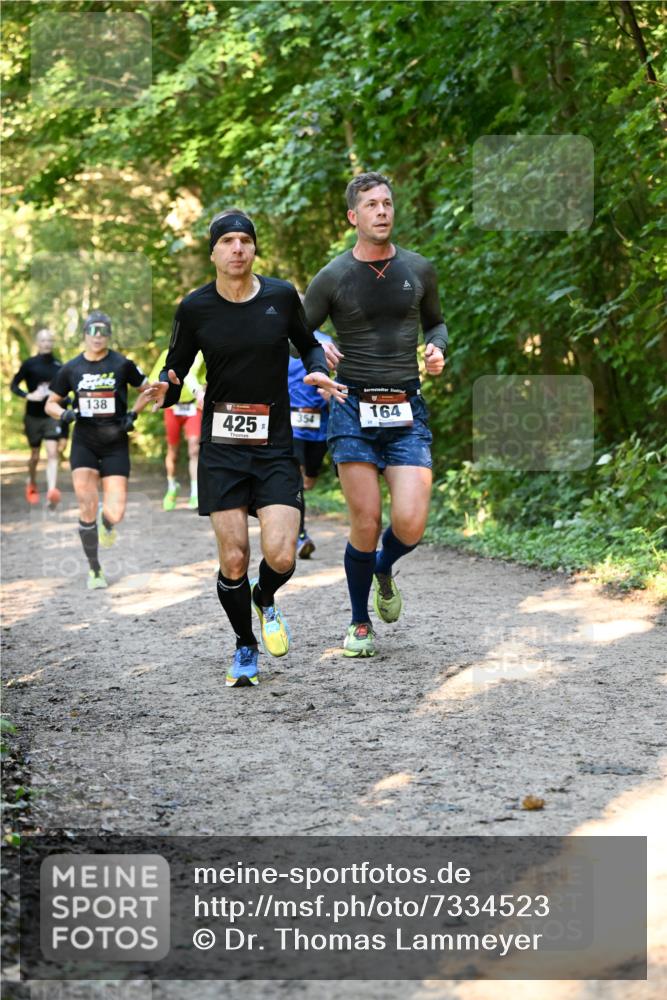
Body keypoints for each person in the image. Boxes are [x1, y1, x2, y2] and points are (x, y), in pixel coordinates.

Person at [141, 209, 346, 688]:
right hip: (222, 446)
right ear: (213, 251)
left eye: (245, 241)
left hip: (274, 445)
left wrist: (316, 367)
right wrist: (164, 391)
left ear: (254, 249)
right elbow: (176, 369)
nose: (237, 249)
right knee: (233, 558)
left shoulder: (280, 296)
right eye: (227, 241)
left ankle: (266, 596)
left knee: (281, 556)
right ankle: (244, 645)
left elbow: (308, 343)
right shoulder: (195, 308)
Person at [304, 171, 448, 658]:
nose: (382, 211)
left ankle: (383, 566)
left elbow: (438, 324)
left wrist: (436, 349)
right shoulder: (333, 277)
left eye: (387, 203)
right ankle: (359, 620)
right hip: (351, 407)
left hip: (406, 406)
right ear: (353, 216)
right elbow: (299, 334)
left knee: (410, 524)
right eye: (371, 205)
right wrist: (321, 345)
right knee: (365, 519)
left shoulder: (419, 270)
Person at [45, 311, 149, 589]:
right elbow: (50, 403)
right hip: (84, 442)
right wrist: (64, 415)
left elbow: (148, 391)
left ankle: (108, 523)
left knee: (116, 512)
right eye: (93, 331)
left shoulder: (122, 364)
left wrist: (133, 414)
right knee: (86, 504)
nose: (97, 336)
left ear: (109, 334)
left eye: (103, 331)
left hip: (116, 442)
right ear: (85, 333)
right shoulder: (71, 368)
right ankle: (95, 570)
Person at [288, 327, 333, 558]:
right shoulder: (281, 341)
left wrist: (331, 391)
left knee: (309, 479)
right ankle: (299, 536)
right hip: (290, 421)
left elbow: (339, 372)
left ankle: (295, 527)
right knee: (295, 477)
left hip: (318, 421)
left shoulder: (326, 342)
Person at [10, 327, 68, 508]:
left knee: (52, 453)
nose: (47, 343)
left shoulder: (59, 366)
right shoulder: (29, 364)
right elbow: (13, 385)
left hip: (51, 415)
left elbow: (65, 394)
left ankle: (52, 491)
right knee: (35, 455)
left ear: (53, 343)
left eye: (50, 340)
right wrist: (28, 395)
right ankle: (32, 482)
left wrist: (65, 429)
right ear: (38, 343)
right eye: (43, 340)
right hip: (33, 416)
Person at [149, 347, 205, 510]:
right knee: (173, 452)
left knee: (194, 448)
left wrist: (205, 388)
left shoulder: (203, 353)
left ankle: (195, 492)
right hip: (173, 408)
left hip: (193, 407)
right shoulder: (167, 354)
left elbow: (208, 377)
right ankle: (172, 487)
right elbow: (155, 379)